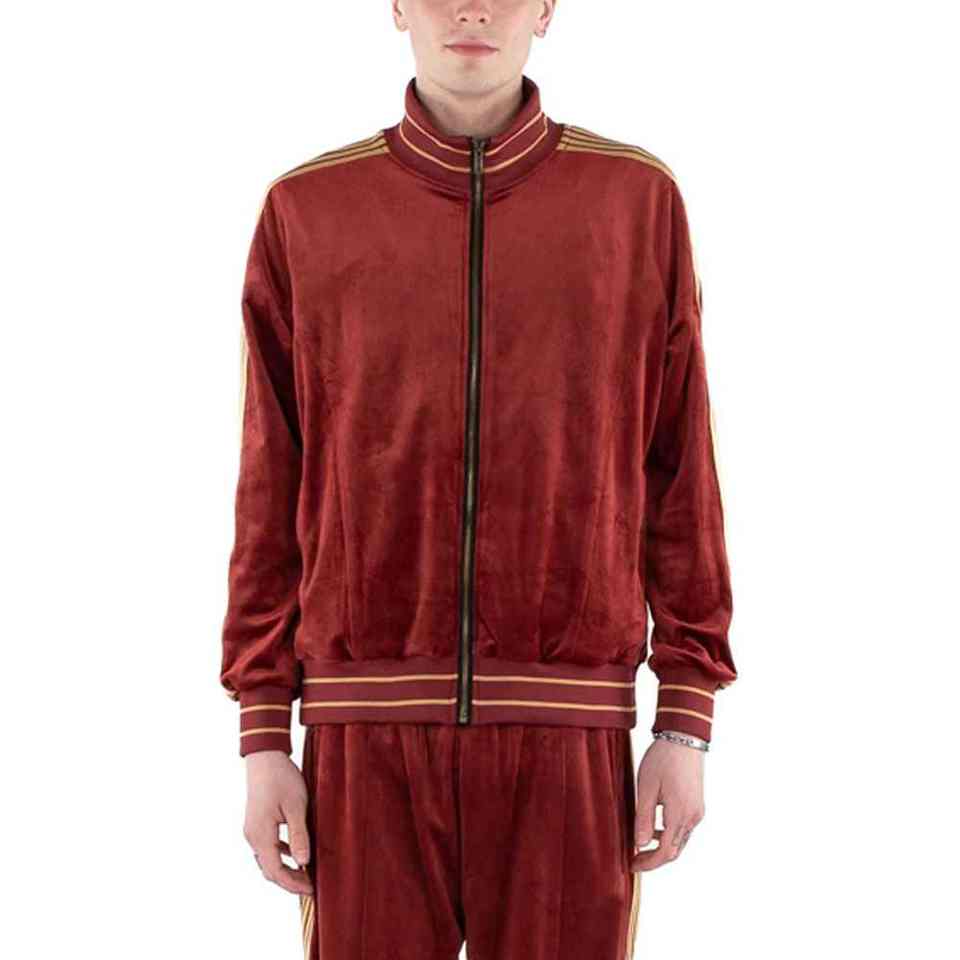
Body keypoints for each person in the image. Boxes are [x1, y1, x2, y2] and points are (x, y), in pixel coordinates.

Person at [219, 2, 738, 958]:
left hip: (569, 734)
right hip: (363, 738)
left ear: (546, 9)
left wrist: (685, 719)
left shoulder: (634, 202)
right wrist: (263, 733)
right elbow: (269, 486)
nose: (471, 8)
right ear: (396, 6)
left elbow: (679, 476)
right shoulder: (308, 210)